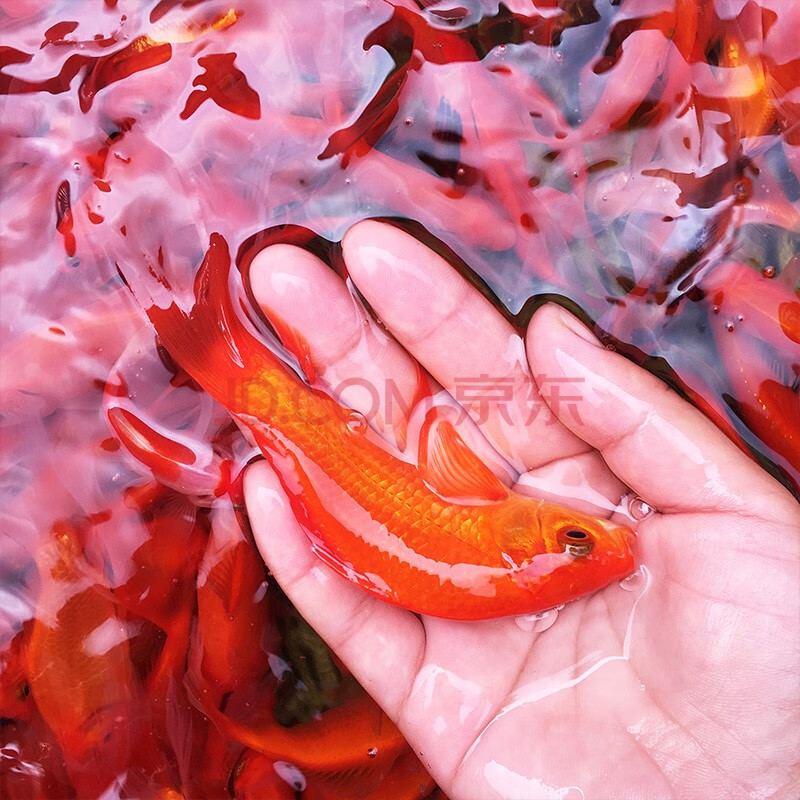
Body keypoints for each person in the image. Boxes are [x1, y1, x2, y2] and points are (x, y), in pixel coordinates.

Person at [242, 220, 800, 800]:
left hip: (356, 490)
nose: (600, 535)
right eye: (576, 540)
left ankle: (242, 379)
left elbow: (440, 451)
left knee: (288, 414)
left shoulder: (493, 525)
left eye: (578, 539)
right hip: (360, 505)